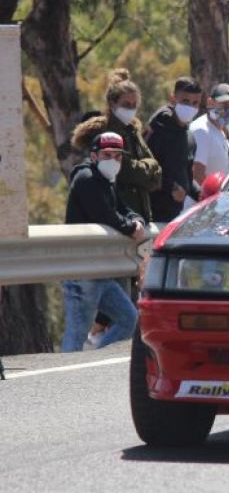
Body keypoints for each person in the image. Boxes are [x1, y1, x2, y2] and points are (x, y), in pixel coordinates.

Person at [62, 132, 145, 353]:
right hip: (81, 271)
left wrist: (137, 220)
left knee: (129, 319)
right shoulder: (87, 179)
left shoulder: (107, 181)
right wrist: (129, 227)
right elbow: (105, 214)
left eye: (118, 156)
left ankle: (92, 361)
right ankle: (68, 380)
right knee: (76, 334)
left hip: (100, 269)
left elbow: (123, 208)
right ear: (94, 155)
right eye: (107, 154)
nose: (113, 161)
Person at [72, 68, 161, 222]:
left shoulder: (134, 131)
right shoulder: (105, 133)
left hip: (142, 215)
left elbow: (157, 175)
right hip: (119, 215)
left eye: (134, 105)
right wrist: (148, 167)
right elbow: (127, 171)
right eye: (126, 104)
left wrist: (146, 168)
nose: (131, 109)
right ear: (112, 103)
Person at [146, 76, 203, 222]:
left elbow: (187, 177)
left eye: (195, 103)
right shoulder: (158, 130)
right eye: (185, 101)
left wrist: (200, 194)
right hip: (152, 214)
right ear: (173, 99)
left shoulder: (190, 137)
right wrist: (170, 186)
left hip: (174, 216)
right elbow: (145, 168)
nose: (190, 107)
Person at [189, 83, 229, 194]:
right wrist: (213, 199)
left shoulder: (220, 130)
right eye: (224, 105)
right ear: (210, 103)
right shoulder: (202, 130)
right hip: (206, 204)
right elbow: (197, 174)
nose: (228, 110)